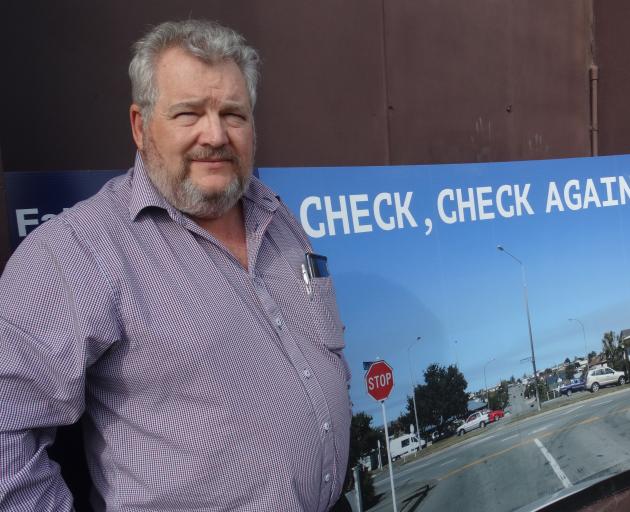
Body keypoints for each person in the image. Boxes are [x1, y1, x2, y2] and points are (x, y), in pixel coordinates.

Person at [0, 20, 351, 511]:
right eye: (188, 113)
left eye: (234, 114)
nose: (216, 135)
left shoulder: (278, 217)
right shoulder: (78, 252)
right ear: (141, 126)